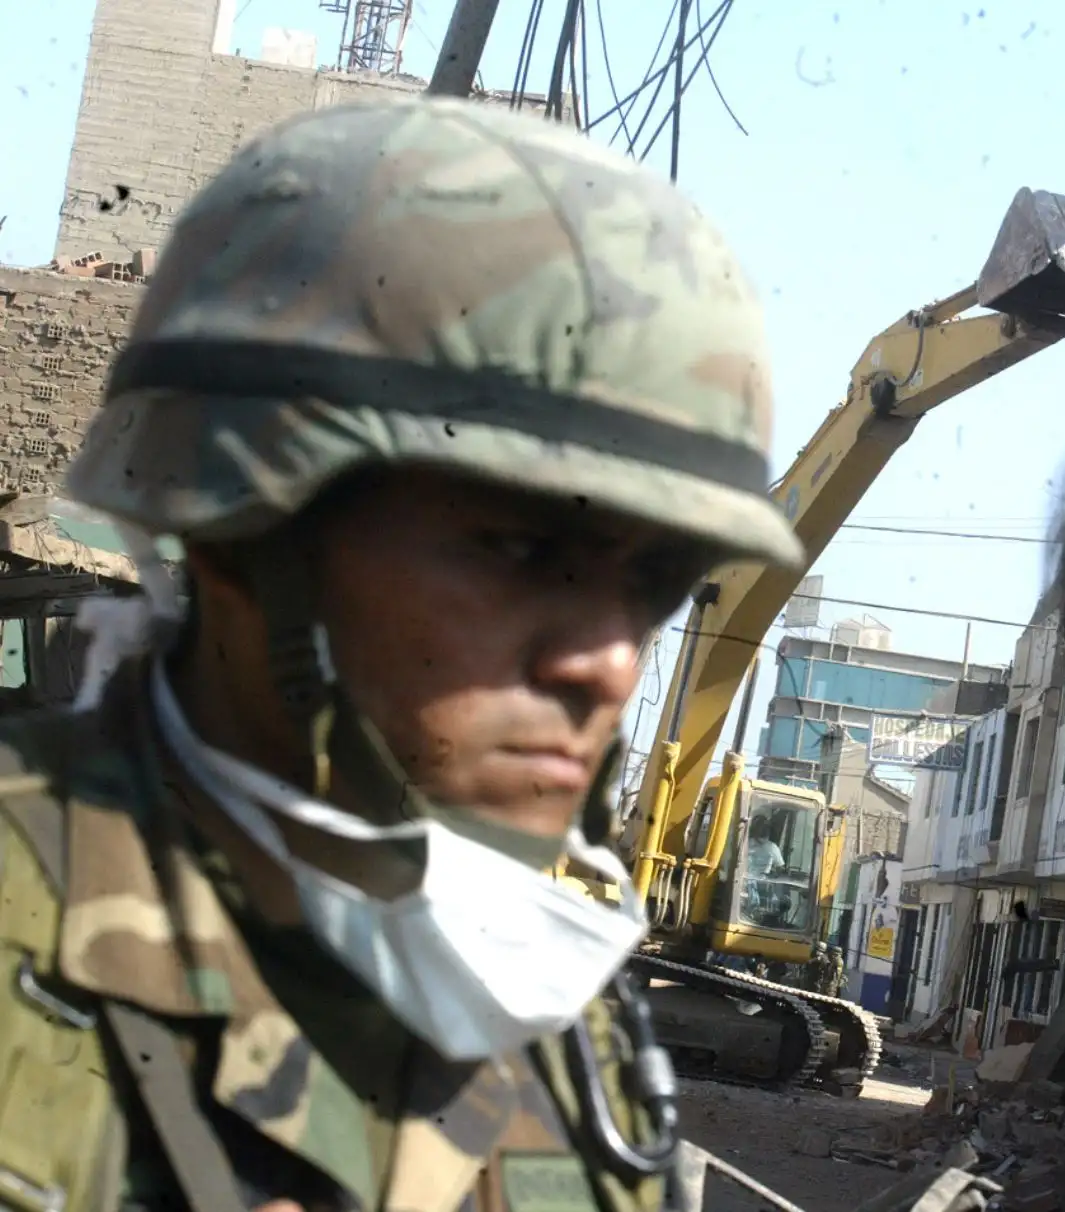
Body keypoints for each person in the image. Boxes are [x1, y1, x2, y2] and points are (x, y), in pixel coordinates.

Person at [0, 96, 804, 1212]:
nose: (611, 666)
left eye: (652, 583)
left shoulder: (558, 1022)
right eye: (525, 549)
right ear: (242, 527)